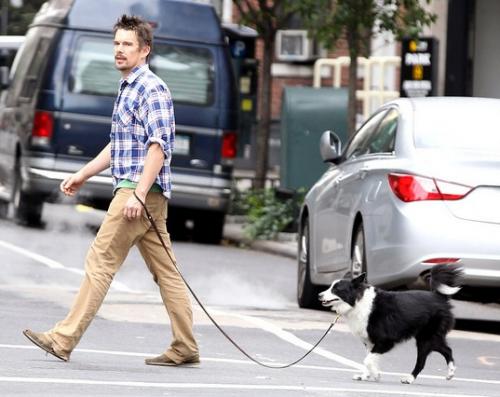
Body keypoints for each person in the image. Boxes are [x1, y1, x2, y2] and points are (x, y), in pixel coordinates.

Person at [23, 14, 199, 367]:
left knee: (100, 260)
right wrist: (83, 174)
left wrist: (136, 193)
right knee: (167, 272)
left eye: (127, 45)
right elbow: (119, 144)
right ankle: (185, 346)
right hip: (141, 190)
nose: (119, 50)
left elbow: (158, 147)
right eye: (116, 43)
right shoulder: (129, 87)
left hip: (139, 191)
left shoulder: (151, 88)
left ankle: (63, 338)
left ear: (145, 50)